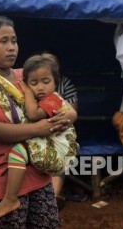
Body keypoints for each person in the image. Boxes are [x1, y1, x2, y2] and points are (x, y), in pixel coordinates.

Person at [0, 15, 73, 228]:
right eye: (3, 41)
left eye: (14, 41)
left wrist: (67, 117)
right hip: (2, 180)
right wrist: (39, 128)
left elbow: (59, 103)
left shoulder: (28, 76)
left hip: (39, 173)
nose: (11, 47)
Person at [0, 53, 79, 219]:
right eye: (34, 83)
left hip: (54, 149)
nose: (40, 87)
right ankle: (12, 197)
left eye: (46, 81)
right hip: (43, 148)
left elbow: (33, 114)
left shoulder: (53, 99)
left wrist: (27, 89)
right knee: (17, 154)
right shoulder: (41, 98)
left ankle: (10, 198)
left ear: (55, 83)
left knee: (16, 152)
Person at [39, 52, 79, 209]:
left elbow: (71, 114)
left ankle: (53, 197)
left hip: (60, 131)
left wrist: (54, 125)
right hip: (36, 131)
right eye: (45, 62)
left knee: (59, 152)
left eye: (52, 63)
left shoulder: (64, 85)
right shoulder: (32, 83)